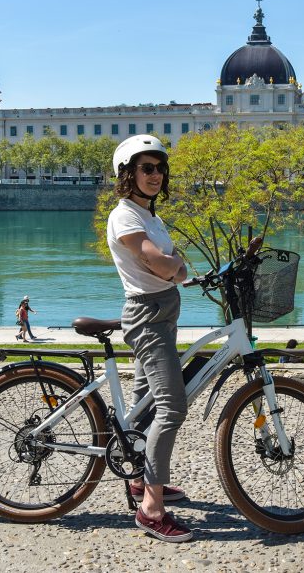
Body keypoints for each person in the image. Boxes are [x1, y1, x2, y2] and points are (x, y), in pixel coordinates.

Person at [106, 134, 192, 543]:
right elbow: (159, 263)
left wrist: (175, 268)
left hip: (164, 312)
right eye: (146, 168)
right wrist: (175, 268)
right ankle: (152, 509)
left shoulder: (149, 216)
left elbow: (173, 265)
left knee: (143, 405)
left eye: (160, 168)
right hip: (148, 316)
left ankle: (140, 480)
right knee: (172, 407)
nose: (155, 175)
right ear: (128, 173)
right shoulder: (125, 216)